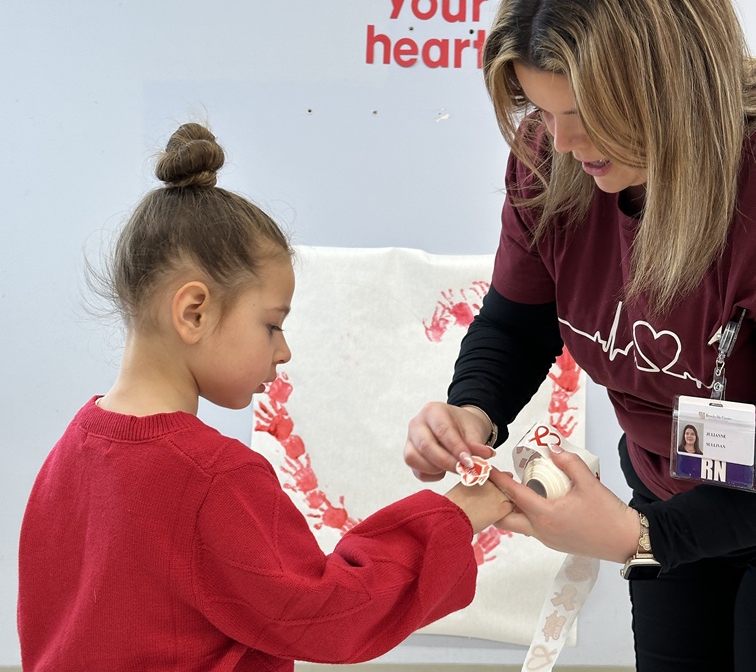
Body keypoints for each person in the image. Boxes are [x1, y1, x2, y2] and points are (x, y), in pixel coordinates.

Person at [17, 123, 514, 672]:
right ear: (194, 312)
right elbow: (329, 614)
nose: (284, 352)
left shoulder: (70, 451)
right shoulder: (212, 476)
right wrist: (454, 515)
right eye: (272, 325)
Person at [403, 0, 756, 670]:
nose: (559, 145)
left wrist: (639, 538)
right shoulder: (551, 158)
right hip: (671, 489)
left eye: (585, 115)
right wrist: (473, 407)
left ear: (672, 88)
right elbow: (519, 321)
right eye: (543, 112)